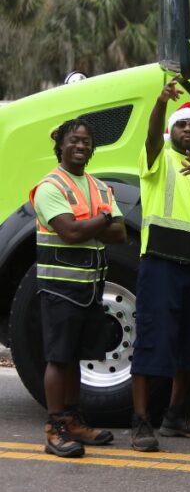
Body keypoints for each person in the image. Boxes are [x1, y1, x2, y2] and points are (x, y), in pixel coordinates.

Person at [130, 79, 190, 452]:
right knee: (153, 340)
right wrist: (160, 103)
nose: (188, 130)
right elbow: (154, 135)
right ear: (174, 130)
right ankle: (140, 421)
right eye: (182, 125)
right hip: (161, 263)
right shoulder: (158, 158)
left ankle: (176, 415)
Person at [29, 118, 127, 457]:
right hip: (60, 289)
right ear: (61, 145)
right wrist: (102, 220)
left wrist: (93, 225)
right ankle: (54, 428)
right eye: (74, 140)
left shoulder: (100, 187)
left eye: (86, 141)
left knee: (75, 359)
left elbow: (122, 234)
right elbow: (69, 232)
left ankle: (72, 421)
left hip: (90, 289)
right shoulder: (50, 187)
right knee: (58, 358)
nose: (81, 145)